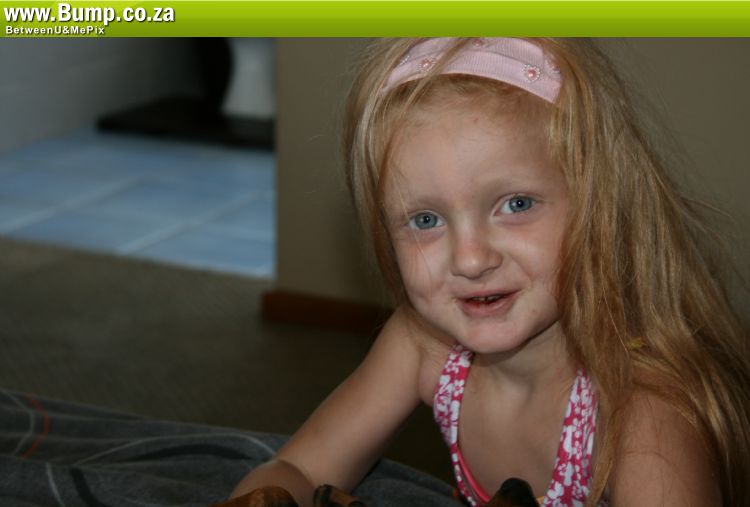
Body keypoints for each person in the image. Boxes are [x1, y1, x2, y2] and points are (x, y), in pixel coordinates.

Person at [230, 38, 750, 507]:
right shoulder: (424, 344)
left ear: (600, 207)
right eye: (425, 220)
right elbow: (299, 468)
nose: (471, 259)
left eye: (516, 204)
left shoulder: (644, 411)